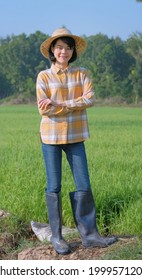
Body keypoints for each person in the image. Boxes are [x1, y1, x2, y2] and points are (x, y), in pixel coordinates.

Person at [36, 27, 117, 255]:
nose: (64, 51)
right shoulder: (43, 77)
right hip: (50, 137)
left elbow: (89, 99)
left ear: (73, 51)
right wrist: (74, 103)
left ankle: (90, 236)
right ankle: (57, 237)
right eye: (59, 47)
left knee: (84, 184)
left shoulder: (82, 74)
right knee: (54, 186)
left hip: (76, 136)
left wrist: (60, 105)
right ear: (53, 50)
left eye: (68, 47)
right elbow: (44, 110)